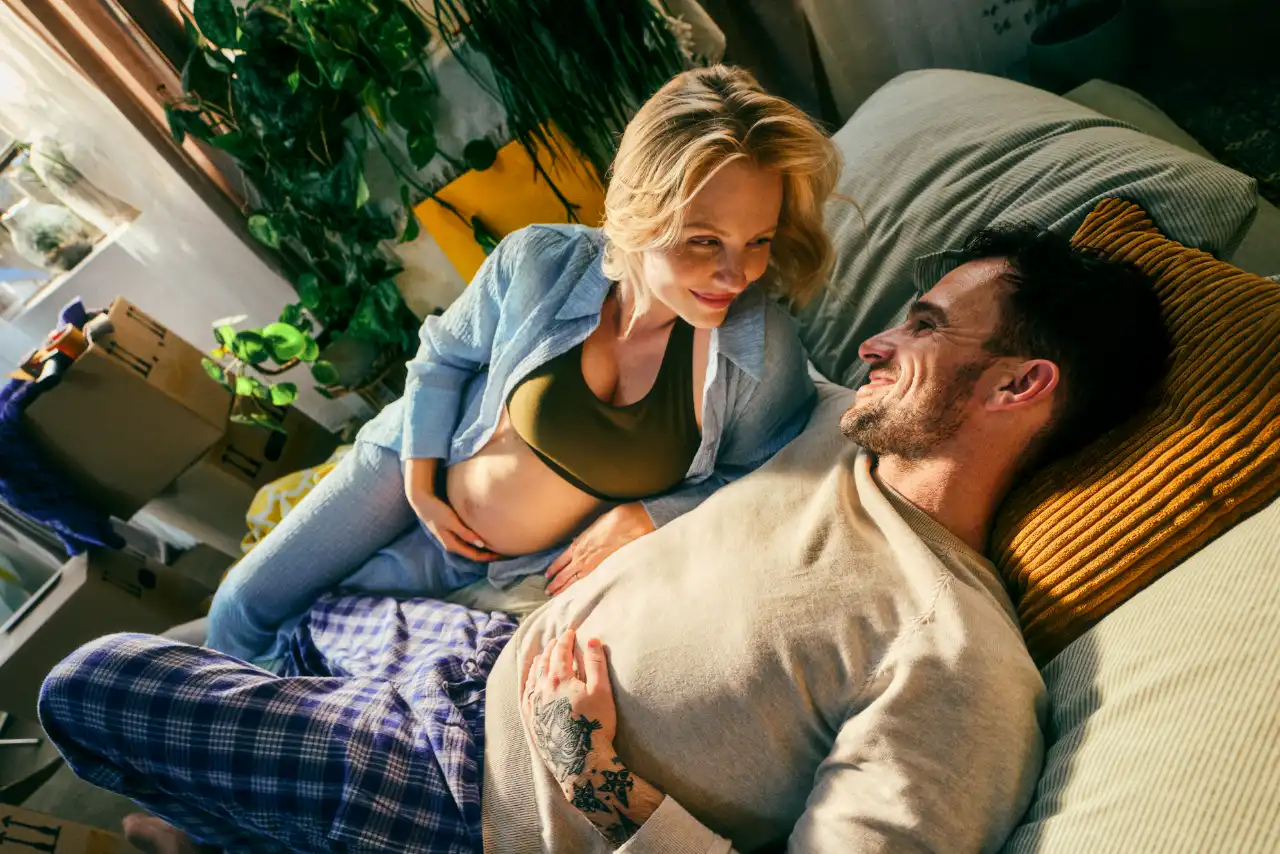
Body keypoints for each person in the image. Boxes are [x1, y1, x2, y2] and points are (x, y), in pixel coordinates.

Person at [39, 224, 1172, 853]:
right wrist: (646, 508)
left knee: (94, 685)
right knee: (277, 615)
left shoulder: (955, 662)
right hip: (473, 658)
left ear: (1020, 383)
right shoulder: (832, 423)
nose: (877, 338)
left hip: (475, 795)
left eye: (924, 325)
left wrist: (603, 783)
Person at [204, 65, 838, 665]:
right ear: (644, 210)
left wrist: (650, 515)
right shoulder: (542, 261)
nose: (738, 273)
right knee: (240, 610)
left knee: (307, 644)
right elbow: (445, 356)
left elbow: (767, 481)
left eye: (758, 240)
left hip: (499, 565)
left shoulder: (758, 349)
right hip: (409, 477)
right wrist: (422, 486)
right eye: (706, 240)